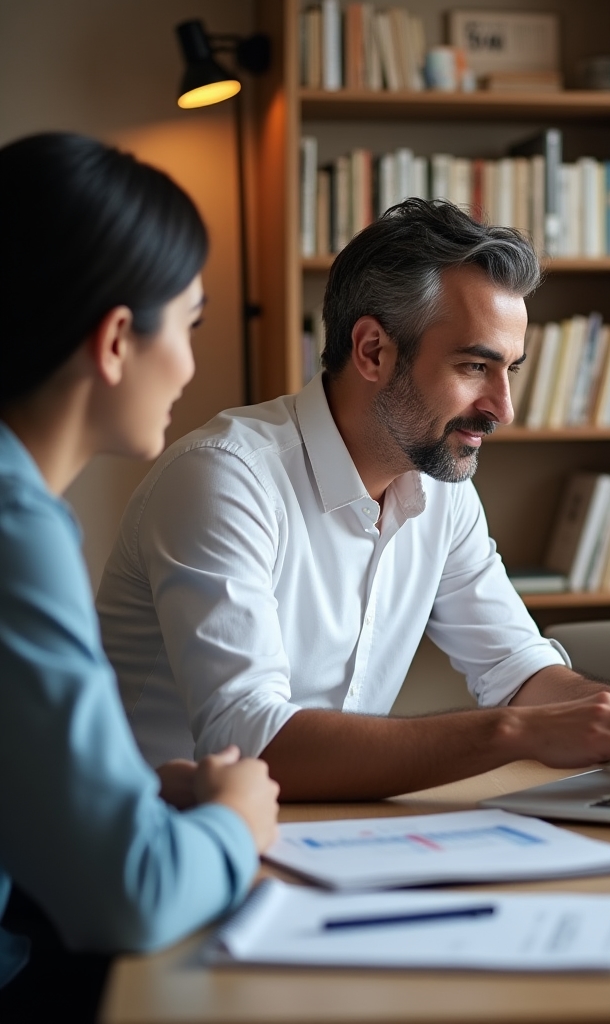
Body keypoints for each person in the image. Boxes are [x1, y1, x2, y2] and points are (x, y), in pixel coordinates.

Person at [97, 198, 610, 803]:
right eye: (473, 368)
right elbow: (250, 743)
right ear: (373, 350)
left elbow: (519, 672)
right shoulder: (225, 480)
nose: (503, 409)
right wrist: (511, 733)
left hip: (322, 839)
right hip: (159, 857)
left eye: (509, 371)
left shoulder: (441, 487)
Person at [0, 133, 280, 1020]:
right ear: (117, 339)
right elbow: (134, 890)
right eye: (190, 324)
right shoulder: (15, 528)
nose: (192, 366)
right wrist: (237, 815)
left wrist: (121, 790)